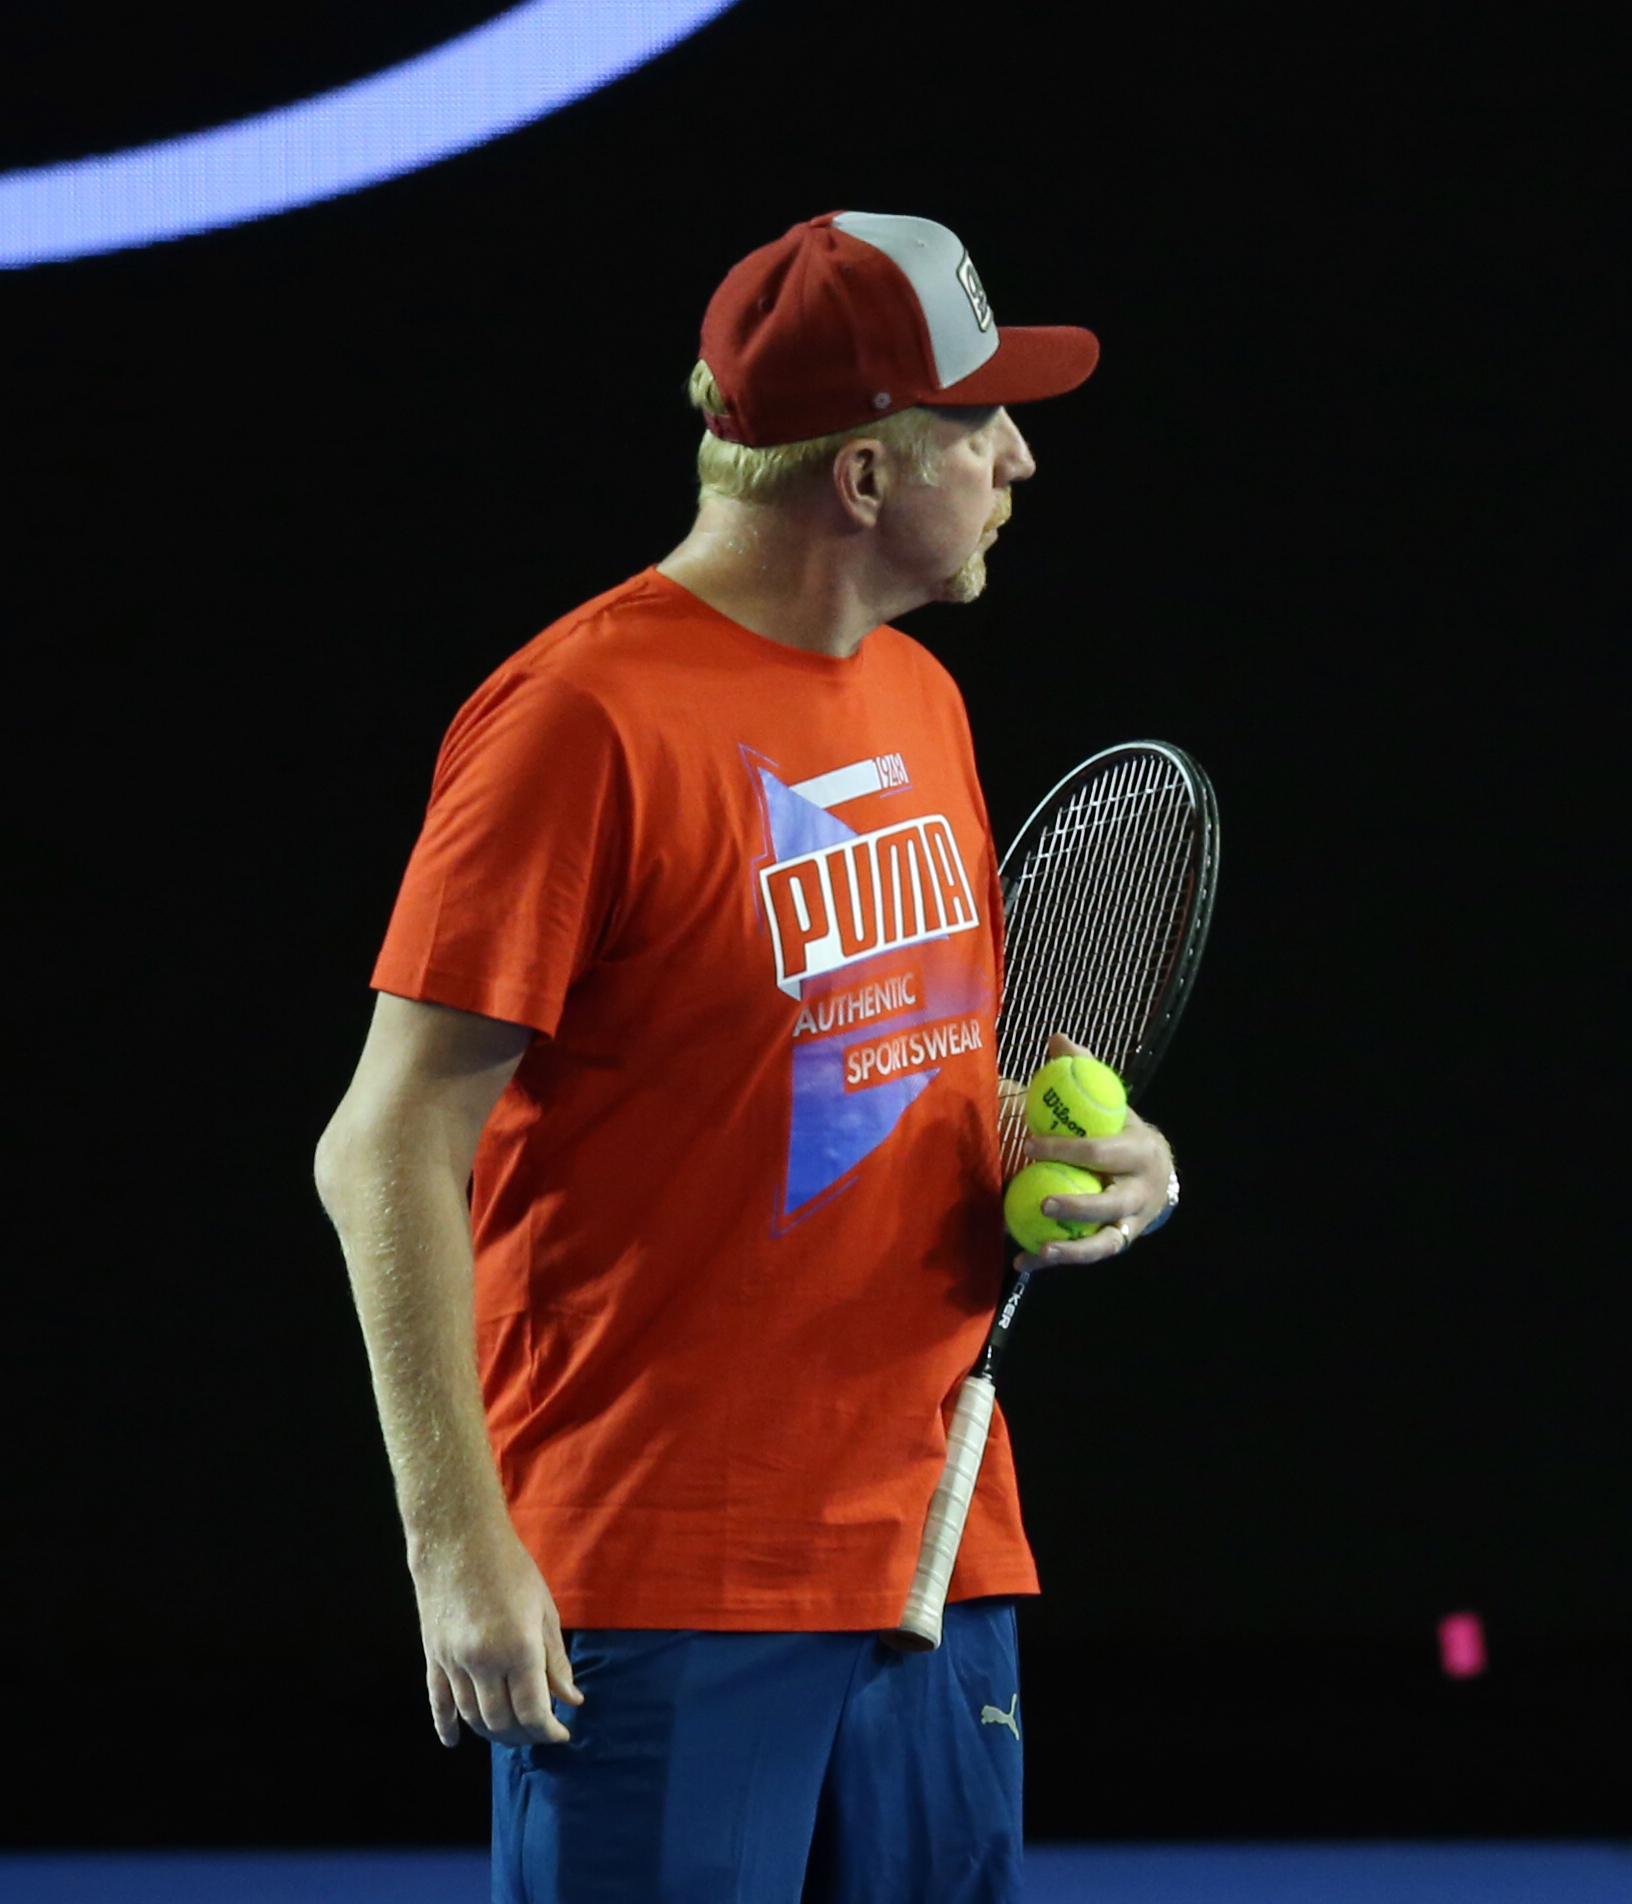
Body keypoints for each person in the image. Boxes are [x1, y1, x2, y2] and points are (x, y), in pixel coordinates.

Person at [315, 211, 1178, 1903]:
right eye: (978, 425)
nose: (1018, 458)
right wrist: (457, 1544)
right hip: (664, 1573)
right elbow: (383, 1143)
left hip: (931, 1545)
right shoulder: (577, 720)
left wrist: (1071, 1154)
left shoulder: (919, 695)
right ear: (861, 476)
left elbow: (873, 1065)